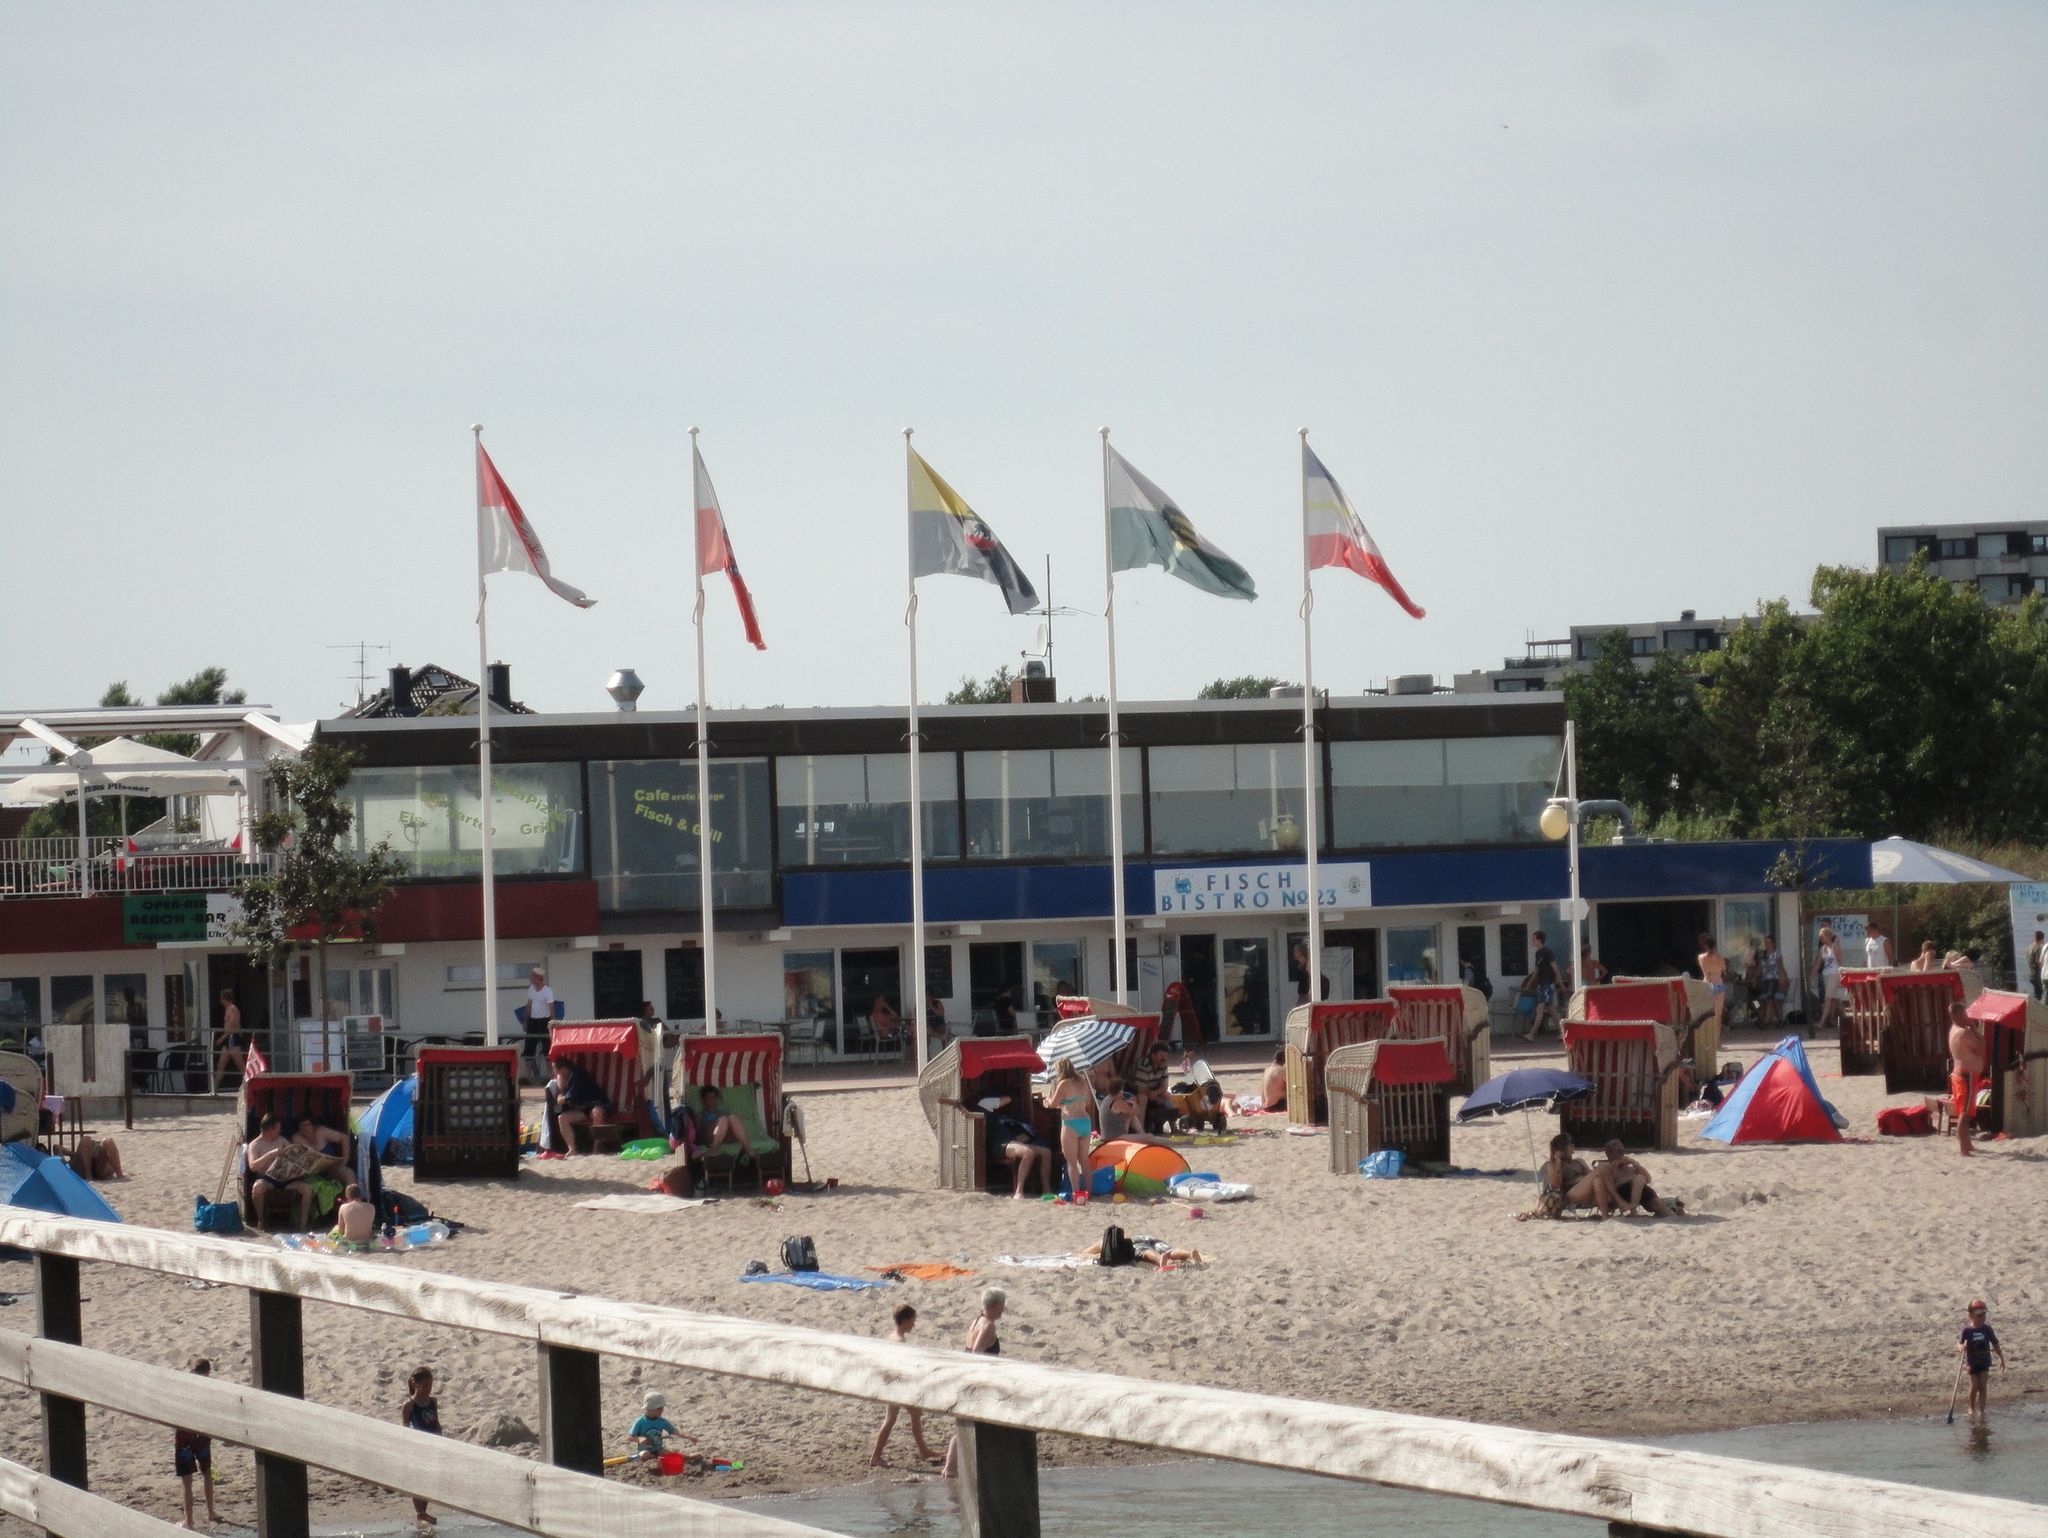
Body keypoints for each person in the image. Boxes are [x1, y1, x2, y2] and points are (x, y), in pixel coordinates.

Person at [941, 1290, 1006, 1479]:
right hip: (978, 1380)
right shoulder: (988, 1326)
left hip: (967, 1377)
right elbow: (977, 1352)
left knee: (967, 1424)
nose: (1004, 1310)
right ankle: (951, 1468)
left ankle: (951, 1468)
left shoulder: (976, 1320)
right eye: (1002, 1306)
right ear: (994, 1306)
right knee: (972, 1424)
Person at [870, 1305, 940, 1465]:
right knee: (907, 1415)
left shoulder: (890, 1337)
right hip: (897, 1387)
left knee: (897, 1418)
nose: (914, 1325)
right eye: (912, 1322)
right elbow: (901, 1367)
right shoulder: (900, 1342)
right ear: (905, 1321)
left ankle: (921, 1451)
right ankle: (921, 1451)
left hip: (890, 1385)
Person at [1519, 1133, 1618, 1220]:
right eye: (1571, 1144)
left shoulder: (1579, 1161)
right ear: (1564, 1148)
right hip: (1570, 1195)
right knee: (1598, 1172)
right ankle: (1619, 1202)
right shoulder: (1551, 1165)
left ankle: (1605, 1216)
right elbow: (1555, 1185)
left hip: (1585, 1192)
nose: (1573, 1146)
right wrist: (1558, 1163)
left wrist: (1586, 1171)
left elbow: (1590, 1176)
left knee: (1597, 1179)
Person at [174, 1356, 220, 1530]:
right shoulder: (209, 1390)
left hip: (185, 1438)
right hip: (201, 1437)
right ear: (207, 1372)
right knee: (207, 1473)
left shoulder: (183, 1388)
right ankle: (210, 1512)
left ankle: (189, 1521)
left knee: (187, 1480)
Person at [247, 1112, 314, 1230]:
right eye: (278, 1128)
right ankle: (261, 1221)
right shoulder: (255, 1145)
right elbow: (253, 1166)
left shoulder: (281, 1140)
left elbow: (294, 1155)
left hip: (285, 1178)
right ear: (270, 1129)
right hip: (267, 1178)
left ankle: (303, 1225)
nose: (280, 1130)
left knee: (307, 1189)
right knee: (257, 1188)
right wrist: (270, 1154)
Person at [1041, 1057, 1092, 1203]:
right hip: (1085, 1121)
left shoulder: (1064, 1083)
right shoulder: (1082, 1080)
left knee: (1071, 1162)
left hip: (1071, 1123)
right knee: (1084, 1161)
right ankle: (1090, 1192)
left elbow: (1053, 1103)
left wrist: (1047, 1100)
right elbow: (1086, 1102)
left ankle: (1077, 1194)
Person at [981, 1096, 1052, 1199]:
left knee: (1046, 1152)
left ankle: (1047, 1190)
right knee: (1028, 1152)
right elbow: (1007, 1100)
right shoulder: (984, 1101)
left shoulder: (997, 1117)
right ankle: (1019, 1191)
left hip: (1010, 1139)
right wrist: (1005, 1095)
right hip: (1000, 1143)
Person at [400, 1365, 441, 1532]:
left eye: (430, 1385)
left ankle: (425, 1511)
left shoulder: (433, 1402)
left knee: (429, 1480)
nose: (428, 1389)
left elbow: (437, 1424)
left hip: (432, 1445)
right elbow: (404, 1427)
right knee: (418, 1481)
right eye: (425, 1386)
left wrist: (440, 1438)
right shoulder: (409, 1406)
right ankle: (420, 1513)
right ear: (415, 1384)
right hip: (417, 1447)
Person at [1595, 1139, 1682, 1217]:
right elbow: (1609, 1183)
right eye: (1619, 1151)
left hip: (1643, 1192)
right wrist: (1615, 1166)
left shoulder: (1629, 1167)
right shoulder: (1605, 1167)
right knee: (1657, 1204)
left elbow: (1648, 1179)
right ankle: (1634, 1210)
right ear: (1609, 1153)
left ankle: (1673, 1211)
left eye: (1623, 1150)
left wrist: (1635, 1164)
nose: (1622, 1153)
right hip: (1623, 1192)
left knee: (1641, 1179)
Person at [542, 1058, 611, 1155]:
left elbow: (574, 1094)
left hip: (595, 1103)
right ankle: (572, 1149)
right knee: (562, 1118)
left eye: (555, 1069)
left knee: (597, 1112)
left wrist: (564, 1098)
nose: (554, 1072)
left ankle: (597, 1147)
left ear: (563, 1069)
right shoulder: (565, 1079)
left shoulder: (578, 1074)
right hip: (583, 1108)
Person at [1948, 1001, 1988, 1158]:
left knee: (1963, 1112)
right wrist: (1974, 1028)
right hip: (1966, 1075)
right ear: (1958, 1015)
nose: (1967, 1016)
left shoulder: (1953, 1029)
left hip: (1959, 1073)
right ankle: (1964, 1149)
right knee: (1965, 1115)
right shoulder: (1964, 1033)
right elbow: (1981, 1046)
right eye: (1964, 1014)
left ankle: (1967, 1144)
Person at [1957, 1300, 2005, 1422]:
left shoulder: (1987, 1329)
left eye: (1984, 1314)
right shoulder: (1967, 1331)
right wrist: (1962, 1347)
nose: (1982, 1317)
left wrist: (2002, 1358)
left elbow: (1995, 1343)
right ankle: (1971, 1407)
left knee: (1983, 1386)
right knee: (1974, 1386)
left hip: (1984, 1362)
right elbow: (1959, 1344)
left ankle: (1982, 1410)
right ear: (1970, 1315)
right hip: (1972, 1363)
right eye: (1979, 1315)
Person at [1518, 930, 1563, 1041]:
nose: (1532, 941)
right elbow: (1537, 970)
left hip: (1548, 984)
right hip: (1543, 984)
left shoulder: (1548, 952)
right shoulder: (1537, 953)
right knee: (1552, 1010)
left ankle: (1531, 1034)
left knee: (1540, 1008)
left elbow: (1555, 967)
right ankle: (1563, 1032)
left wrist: (1559, 982)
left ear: (1539, 940)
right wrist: (1530, 983)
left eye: (1534, 938)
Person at [694, 1085, 755, 1163]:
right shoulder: (700, 1115)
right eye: (709, 1097)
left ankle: (747, 1148)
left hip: (726, 1136)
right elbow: (698, 1133)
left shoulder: (724, 1113)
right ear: (704, 1099)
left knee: (732, 1118)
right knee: (724, 1119)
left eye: (714, 1097)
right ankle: (713, 1149)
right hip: (710, 1136)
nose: (712, 1100)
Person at [628, 1389, 692, 1463]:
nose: (661, 1411)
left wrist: (689, 1437)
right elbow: (630, 1438)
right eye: (659, 1408)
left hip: (658, 1449)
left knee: (669, 1454)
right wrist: (639, 1439)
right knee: (644, 1455)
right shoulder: (640, 1422)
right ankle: (658, 1459)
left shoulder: (662, 1421)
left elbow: (674, 1431)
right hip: (644, 1450)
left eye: (662, 1408)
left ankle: (688, 1457)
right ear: (649, 1408)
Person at [1079, 1235, 1204, 1268]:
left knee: (1144, 1252)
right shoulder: (1111, 1239)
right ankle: (1189, 1253)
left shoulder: (1105, 1243)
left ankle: (1159, 1259)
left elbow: (1083, 1254)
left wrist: (1094, 1255)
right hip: (1144, 1236)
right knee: (1169, 1251)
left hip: (1135, 1242)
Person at [1129, 1042, 1174, 1133]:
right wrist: (1155, 1097)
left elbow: (1164, 1085)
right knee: (1143, 1098)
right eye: (1161, 1055)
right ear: (1153, 1055)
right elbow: (1141, 1089)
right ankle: (1141, 1130)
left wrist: (1157, 1094)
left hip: (1153, 1089)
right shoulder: (1144, 1065)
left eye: (1165, 1056)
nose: (1164, 1058)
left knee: (1167, 1095)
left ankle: (1174, 1127)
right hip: (1133, 1089)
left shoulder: (1163, 1064)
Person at [1812, 926, 1844, 1034]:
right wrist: (1811, 975)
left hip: (1834, 974)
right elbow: (1818, 964)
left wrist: (1843, 976)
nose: (1821, 939)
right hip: (1826, 974)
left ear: (1828, 936)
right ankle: (1845, 1018)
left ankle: (1822, 1022)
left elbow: (1840, 962)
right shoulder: (1822, 949)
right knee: (1835, 999)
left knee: (1828, 998)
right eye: (1820, 937)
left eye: (1822, 936)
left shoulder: (1835, 947)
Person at [214, 992, 247, 1087]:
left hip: (233, 1037)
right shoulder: (227, 1009)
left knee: (240, 1064)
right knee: (221, 1064)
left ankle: (248, 1086)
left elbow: (234, 1025)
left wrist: (222, 1037)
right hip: (228, 1039)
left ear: (224, 999)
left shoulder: (232, 1009)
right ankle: (214, 1089)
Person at [1697, 934, 1727, 1037]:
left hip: (1707, 984)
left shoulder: (1701, 957)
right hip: (1718, 983)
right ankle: (1716, 1040)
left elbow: (1704, 969)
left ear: (1705, 945)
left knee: (1706, 1015)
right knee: (1717, 1015)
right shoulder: (1719, 957)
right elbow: (1724, 969)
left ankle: (1707, 1038)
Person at [1755, 936, 1787, 1031]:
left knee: (1770, 999)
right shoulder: (1763, 954)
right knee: (1763, 1000)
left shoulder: (1776, 954)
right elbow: (1761, 967)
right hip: (1765, 981)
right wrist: (1755, 978)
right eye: (1765, 942)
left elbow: (1781, 966)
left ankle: (1766, 1021)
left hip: (1774, 979)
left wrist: (1784, 977)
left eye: (1768, 942)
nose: (1766, 944)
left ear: (1773, 943)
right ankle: (1778, 1020)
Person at [1259, 1048, 1287, 1114]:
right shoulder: (1281, 1070)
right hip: (1276, 1106)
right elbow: (1291, 1085)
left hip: (1265, 1106)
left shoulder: (1267, 1069)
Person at [2031, 930, 2046, 1003]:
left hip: (2032, 974)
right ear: (2042, 939)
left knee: (2037, 993)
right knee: (2040, 994)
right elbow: (2038, 962)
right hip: (2037, 974)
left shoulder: (2030, 946)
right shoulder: (2038, 948)